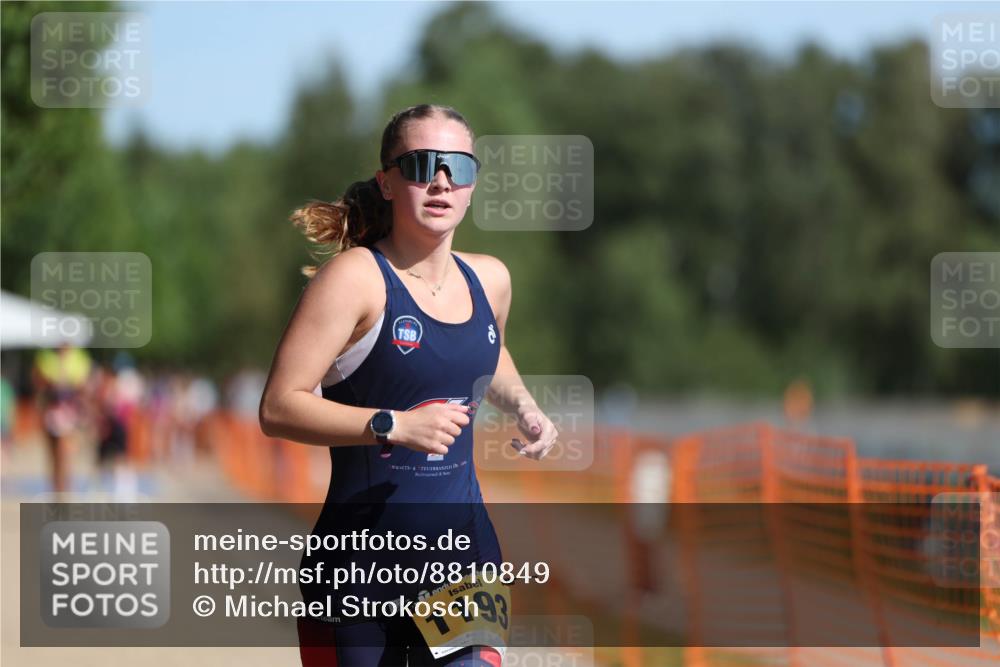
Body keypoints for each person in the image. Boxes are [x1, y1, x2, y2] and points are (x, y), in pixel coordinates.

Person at [259, 104, 558, 666]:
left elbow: (486, 353)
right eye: (421, 164)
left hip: (464, 562)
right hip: (357, 569)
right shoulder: (354, 279)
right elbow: (278, 406)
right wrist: (392, 425)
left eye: (457, 167)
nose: (441, 181)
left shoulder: (491, 279)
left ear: (472, 184)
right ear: (387, 182)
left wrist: (525, 405)